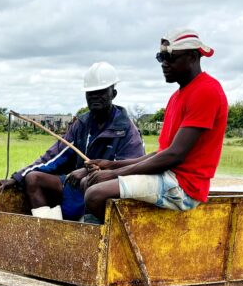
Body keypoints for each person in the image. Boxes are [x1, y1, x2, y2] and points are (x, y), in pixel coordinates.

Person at [80, 29, 228, 223]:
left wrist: (113, 174)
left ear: (192, 57)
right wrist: (111, 165)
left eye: (169, 58)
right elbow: (162, 152)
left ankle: (121, 245)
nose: (164, 64)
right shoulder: (177, 97)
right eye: (161, 58)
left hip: (183, 186)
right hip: (168, 177)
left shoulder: (206, 91)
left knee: (95, 194)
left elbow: (174, 155)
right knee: (87, 182)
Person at [0, 62, 144, 220]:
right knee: (33, 178)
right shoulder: (82, 124)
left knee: (94, 197)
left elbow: (130, 170)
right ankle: (49, 229)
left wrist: (87, 172)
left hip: (103, 194)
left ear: (113, 94)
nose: (94, 97)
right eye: (90, 93)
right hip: (77, 186)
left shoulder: (126, 130)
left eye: (101, 92)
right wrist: (17, 178)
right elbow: (53, 156)